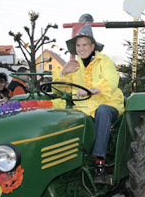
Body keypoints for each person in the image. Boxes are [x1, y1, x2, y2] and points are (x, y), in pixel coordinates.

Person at [53, 24, 124, 183]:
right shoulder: (74, 66)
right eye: (78, 45)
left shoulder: (103, 61)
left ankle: (100, 162)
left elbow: (112, 81)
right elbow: (58, 90)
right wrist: (64, 72)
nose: (81, 48)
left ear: (92, 46)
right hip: (84, 110)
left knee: (102, 111)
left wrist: (92, 90)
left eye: (85, 44)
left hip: (109, 104)